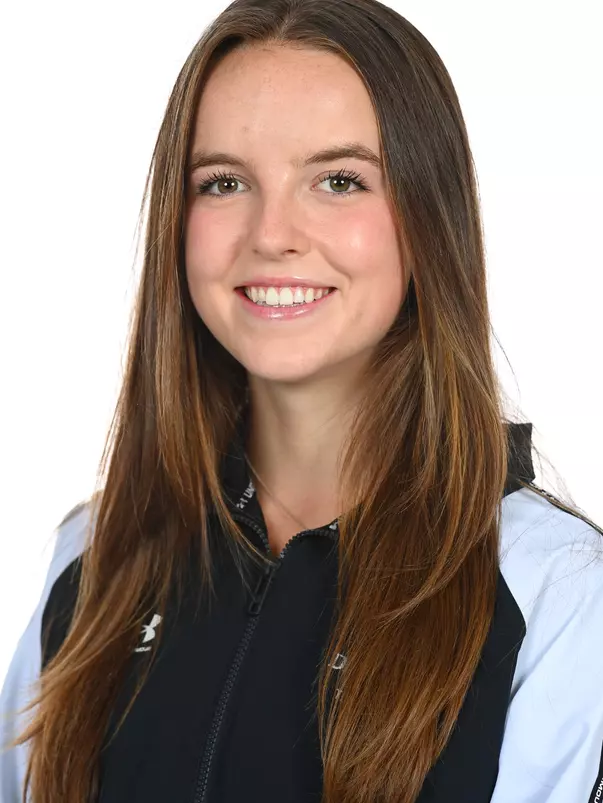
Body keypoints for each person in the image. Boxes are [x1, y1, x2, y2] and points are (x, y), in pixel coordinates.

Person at [1, 0, 602, 801]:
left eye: (338, 180)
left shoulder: (556, 595)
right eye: (223, 182)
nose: (271, 232)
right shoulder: (93, 560)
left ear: (428, 218)